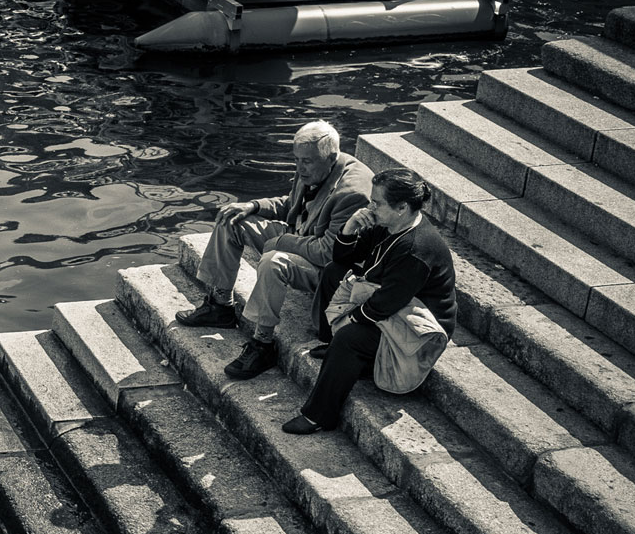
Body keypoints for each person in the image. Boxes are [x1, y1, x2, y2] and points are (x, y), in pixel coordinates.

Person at [175, 120, 372, 381]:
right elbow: (291, 204)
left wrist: (281, 243)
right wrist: (254, 206)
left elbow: (328, 253)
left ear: (331, 157)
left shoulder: (352, 192)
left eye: (307, 162)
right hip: (301, 238)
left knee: (272, 261)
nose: (300, 168)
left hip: (324, 270)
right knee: (231, 219)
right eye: (297, 160)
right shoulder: (316, 166)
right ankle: (220, 305)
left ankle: (262, 344)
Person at [283, 166, 457, 435]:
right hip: (395, 306)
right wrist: (350, 227)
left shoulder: (416, 249)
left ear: (401, 207)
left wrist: (347, 323)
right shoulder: (387, 224)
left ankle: (319, 416)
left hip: (418, 329)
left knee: (350, 336)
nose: (370, 206)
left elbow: (384, 305)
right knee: (333, 274)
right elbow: (341, 259)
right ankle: (335, 350)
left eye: (377, 202)